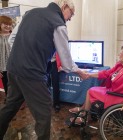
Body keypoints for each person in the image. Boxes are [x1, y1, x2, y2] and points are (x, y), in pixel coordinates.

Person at [0, 0, 88, 140]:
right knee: (44, 113)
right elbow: (66, 62)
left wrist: (24, 56)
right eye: (71, 14)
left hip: (13, 68)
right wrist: (79, 72)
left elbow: (12, 39)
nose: (70, 19)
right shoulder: (58, 24)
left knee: (10, 106)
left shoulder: (30, 13)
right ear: (64, 6)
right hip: (32, 73)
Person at [69, 44, 123, 124]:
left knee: (90, 91)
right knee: (90, 90)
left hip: (117, 96)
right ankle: (83, 110)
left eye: (121, 53)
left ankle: (84, 117)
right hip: (112, 91)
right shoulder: (121, 66)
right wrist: (89, 75)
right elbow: (106, 73)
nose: (119, 54)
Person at [0, 15, 13, 100]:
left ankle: (17, 102)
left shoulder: (14, 35)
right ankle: (9, 100)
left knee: (16, 85)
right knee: (6, 84)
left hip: (14, 66)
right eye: (5, 24)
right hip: (2, 67)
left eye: (9, 24)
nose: (8, 26)